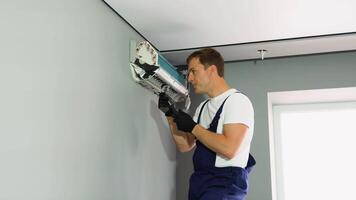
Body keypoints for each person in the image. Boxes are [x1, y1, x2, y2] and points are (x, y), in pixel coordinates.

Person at [159, 48, 256, 200]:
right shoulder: (203, 106)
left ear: (211, 70)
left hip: (225, 183)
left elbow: (229, 148)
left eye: (193, 71)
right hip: (200, 181)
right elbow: (185, 145)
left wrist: (193, 127)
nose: (189, 78)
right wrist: (169, 115)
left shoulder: (237, 101)